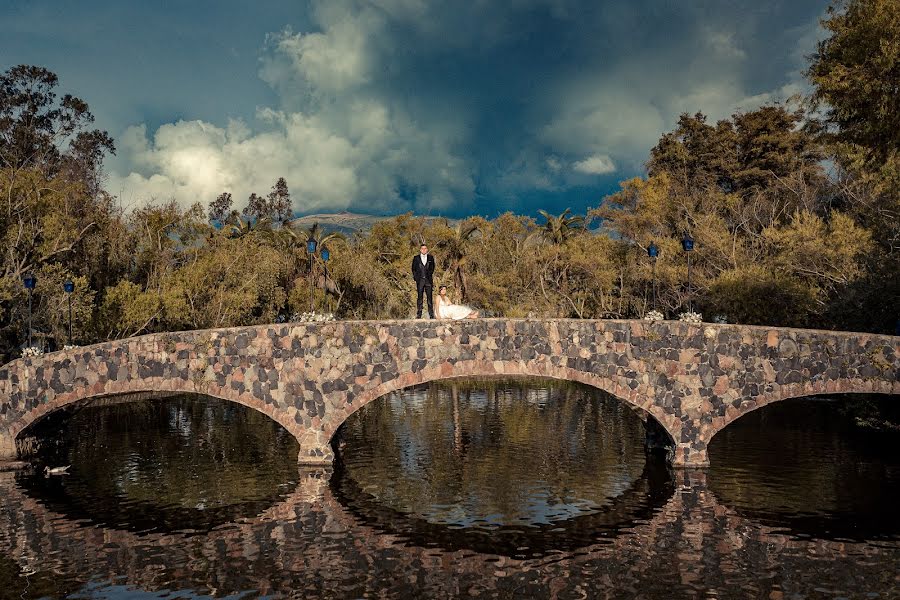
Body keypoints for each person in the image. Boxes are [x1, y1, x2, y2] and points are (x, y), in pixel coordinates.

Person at [411, 243, 436, 318]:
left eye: (425, 248)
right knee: (420, 298)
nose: (424, 250)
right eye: (422, 248)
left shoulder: (431, 258)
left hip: (428, 281)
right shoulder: (416, 258)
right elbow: (413, 269)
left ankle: (431, 315)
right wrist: (416, 278)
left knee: (429, 298)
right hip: (420, 281)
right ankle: (419, 314)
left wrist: (429, 275)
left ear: (427, 249)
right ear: (420, 250)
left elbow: (432, 267)